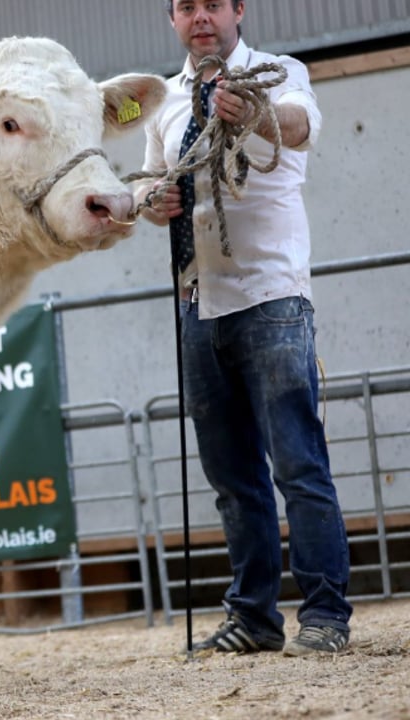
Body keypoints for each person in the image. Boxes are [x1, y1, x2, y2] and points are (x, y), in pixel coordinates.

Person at [138, 0, 352, 656]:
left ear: (238, 11)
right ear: (172, 18)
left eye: (213, 4)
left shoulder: (278, 72)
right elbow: (150, 184)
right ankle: (254, 617)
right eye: (186, 7)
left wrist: (254, 111)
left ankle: (324, 614)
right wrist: (154, 201)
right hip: (199, 302)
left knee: (297, 462)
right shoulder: (164, 99)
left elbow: (300, 125)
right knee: (232, 477)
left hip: (272, 294)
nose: (200, 17)